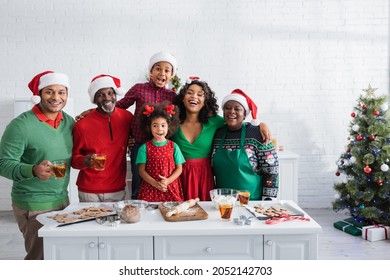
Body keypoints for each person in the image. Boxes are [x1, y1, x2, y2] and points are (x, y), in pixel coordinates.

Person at [75, 51, 178, 199]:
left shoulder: (172, 96)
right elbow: (118, 106)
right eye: (158, 69)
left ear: (171, 75)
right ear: (151, 71)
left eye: (167, 70)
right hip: (140, 145)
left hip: (162, 148)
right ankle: (138, 208)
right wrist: (93, 111)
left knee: (161, 180)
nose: (162, 73)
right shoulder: (139, 89)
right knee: (138, 181)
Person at [0, 71, 74, 260]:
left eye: (61, 92)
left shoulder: (68, 122)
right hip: (34, 204)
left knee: (59, 256)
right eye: (49, 92)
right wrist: (32, 169)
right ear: (39, 94)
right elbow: (3, 163)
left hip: (62, 201)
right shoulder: (20, 126)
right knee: (40, 258)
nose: (56, 97)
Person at [172, 78, 272, 201]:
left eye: (200, 94)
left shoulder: (215, 122)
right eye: (190, 92)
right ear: (182, 97)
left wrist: (260, 124)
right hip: (179, 176)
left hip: (204, 178)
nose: (194, 96)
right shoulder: (172, 123)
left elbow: (236, 119)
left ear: (205, 101)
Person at [71, 74, 133, 202]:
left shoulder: (127, 118)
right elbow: (73, 159)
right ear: (94, 99)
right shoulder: (81, 125)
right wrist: (84, 161)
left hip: (117, 189)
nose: (107, 98)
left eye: (110, 93)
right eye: (100, 95)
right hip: (89, 191)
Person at [211, 89, 279, 200]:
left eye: (237, 109)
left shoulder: (257, 133)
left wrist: (268, 200)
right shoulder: (217, 133)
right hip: (223, 201)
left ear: (244, 114)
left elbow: (271, 170)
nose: (231, 111)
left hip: (251, 202)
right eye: (227, 108)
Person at [136, 101, 185, 202]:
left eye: (163, 125)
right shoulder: (144, 148)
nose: (159, 129)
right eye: (155, 125)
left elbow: (179, 168)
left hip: (170, 187)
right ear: (149, 127)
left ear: (169, 127)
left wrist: (167, 181)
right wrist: (155, 183)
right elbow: (141, 170)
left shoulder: (174, 146)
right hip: (150, 188)